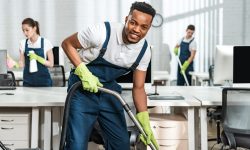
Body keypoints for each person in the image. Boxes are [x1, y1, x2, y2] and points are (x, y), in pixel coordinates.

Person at [61, 1, 159, 150]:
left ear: (149, 28)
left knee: (121, 144)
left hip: (109, 92)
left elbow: (138, 88)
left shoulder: (144, 51)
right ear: (126, 19)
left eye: (143, 27)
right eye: (133, 23)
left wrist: (143, 116)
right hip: (81, 89)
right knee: (76, 145)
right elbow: (67, 44)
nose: (137, 29)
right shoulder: (101, 32)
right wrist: (83, 71)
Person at [19, 18, 54, 87]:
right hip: (28, 82)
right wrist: (13, 63)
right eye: (23, 30)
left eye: (27, 30)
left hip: (44, 82)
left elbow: (51, 64)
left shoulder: (46, 42)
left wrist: (37, 58)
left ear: (34, 28)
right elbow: (22, 64)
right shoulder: (22, 43)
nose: (25, 33)